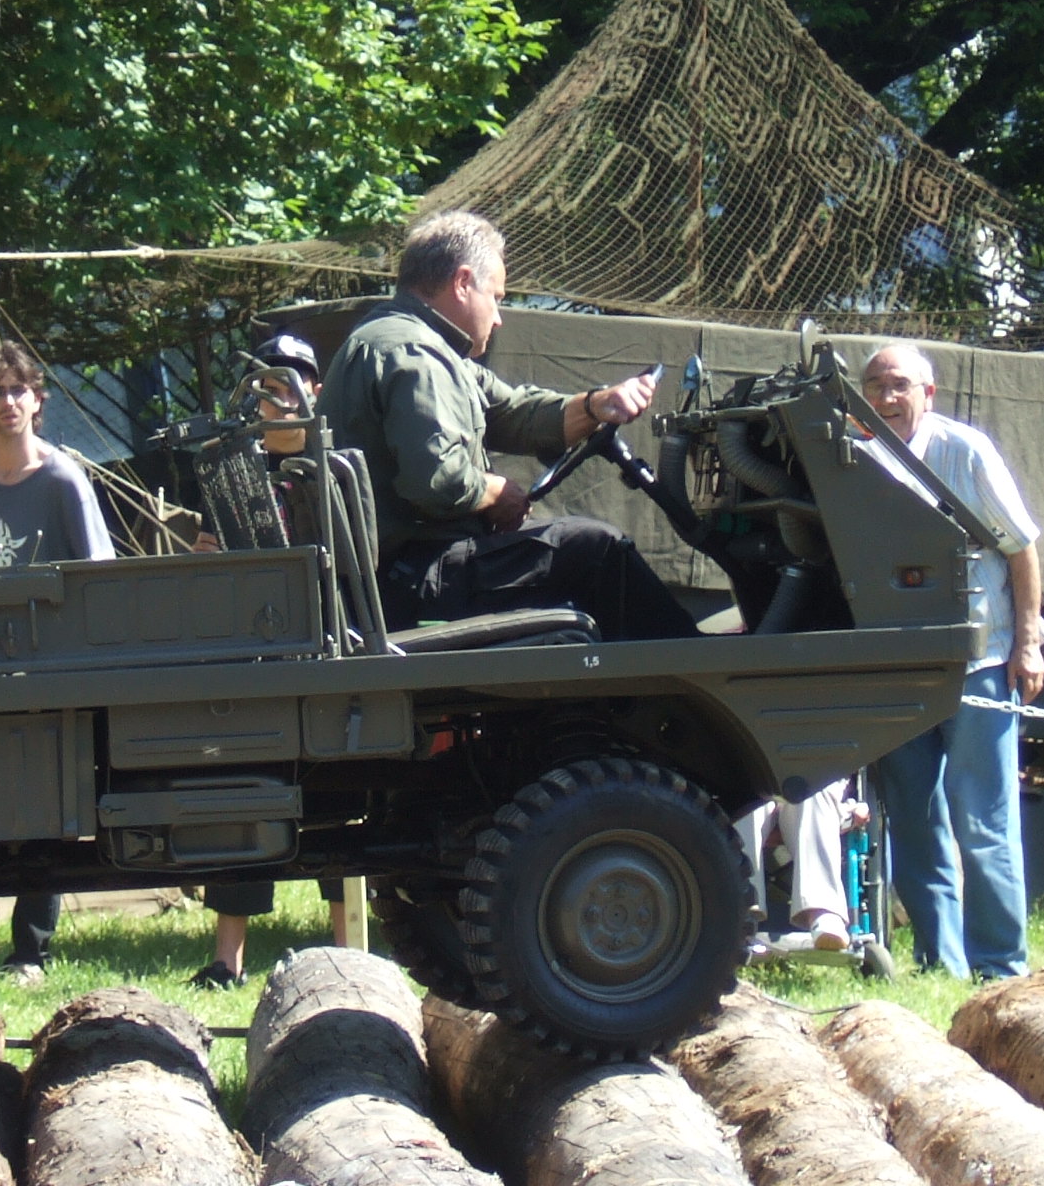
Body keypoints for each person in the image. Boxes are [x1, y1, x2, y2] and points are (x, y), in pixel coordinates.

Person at [318, 210, 696, 642]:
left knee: (573, 544)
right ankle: (700, 670)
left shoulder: (419, 345)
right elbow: (436, 481)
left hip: (405, 576)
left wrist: (597, 405)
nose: (499, 317)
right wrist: (497, 491)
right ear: (463, 283)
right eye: (496, 297)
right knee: (597, 550)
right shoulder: (415, 352)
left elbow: (512, 411)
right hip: (416, 580)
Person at [859, 342, 1044, 980]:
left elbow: (1020, 548)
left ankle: (1001, 967)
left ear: (928, 394)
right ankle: (942, 961)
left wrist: (1027, 642)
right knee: (913, 818)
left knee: (983, 822)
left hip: (981, 664)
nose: (888, 397)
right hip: (898, 670)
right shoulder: (856, 460)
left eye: (901, 385)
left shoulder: (964, 452)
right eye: (876, 385)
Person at [0, 340, 112, 983]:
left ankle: (31, 948)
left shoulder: (64, 478)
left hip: (47, 671)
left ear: (38, 400)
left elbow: (99, 577)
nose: (8, 403)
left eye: (19, 391)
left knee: (45, 810)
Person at [192, 330, 345, 987]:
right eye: (267, 386)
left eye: (291, 383)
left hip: (328, 652)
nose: (278, 397)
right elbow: (205, 556)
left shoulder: (335, 463)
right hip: (255, 656)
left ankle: (348, 948)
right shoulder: (231, 469)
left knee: (341, 796)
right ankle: (228, 960)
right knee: (245, 799)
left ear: (313, 388)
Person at [737, 785, 856, 959]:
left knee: (811, 792)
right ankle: (740, 915)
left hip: (815, 776)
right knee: (745, 801)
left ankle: (822, 914)